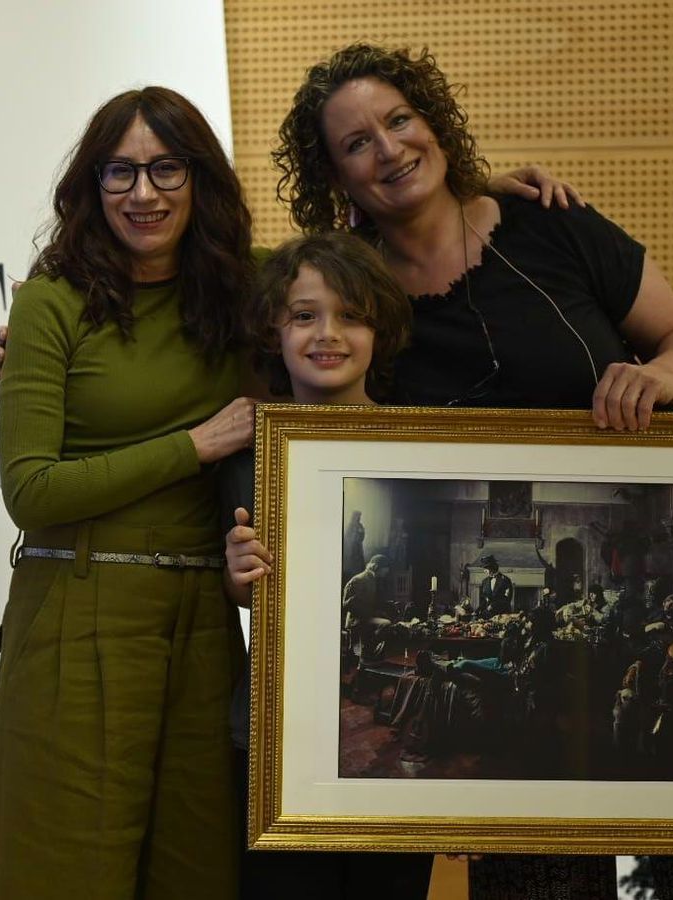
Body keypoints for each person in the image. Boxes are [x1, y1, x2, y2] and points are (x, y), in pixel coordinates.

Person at [274, 41, 673, 900]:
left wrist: (659, 378)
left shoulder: (552, 225)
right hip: (523, 780)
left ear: (434, 122)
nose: (390, 149)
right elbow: (257, 318)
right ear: (334, 173)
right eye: (357, 142)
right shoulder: (349, 292)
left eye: (400, 120)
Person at [0, 87, 258, 900]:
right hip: (78, 608)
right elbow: (31, 490)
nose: (144, 193)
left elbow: (362, 266)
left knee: (199, 877)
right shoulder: (51, 302)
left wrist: (483, 195)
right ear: (92, 184)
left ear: (200, 179)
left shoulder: (246, 294)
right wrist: (193, 445)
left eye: (166, 168)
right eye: (120, 172)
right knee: (66, 874)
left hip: (206, 625)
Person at [217, 232, 434, 900]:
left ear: (380, 331)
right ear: (274, 331)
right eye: (304, 315)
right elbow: (249, 599)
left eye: (352, 315)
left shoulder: (429, 445)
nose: (328, 334)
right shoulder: (245, 457)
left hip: (389, 786)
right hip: (275, 742)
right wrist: (237, 576)